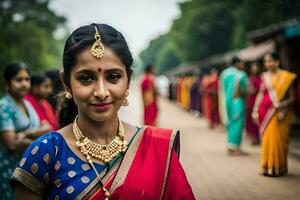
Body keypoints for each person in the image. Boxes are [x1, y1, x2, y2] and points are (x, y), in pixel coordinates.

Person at [11, 23, 195, 199]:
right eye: (86, 78)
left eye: (113, 77)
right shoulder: (45, 153)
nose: (101, 92)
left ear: (128, 79)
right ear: (66, 82)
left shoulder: (156, 148)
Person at [0, 62, 51, 200]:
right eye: (18, 80)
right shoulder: (4, 106)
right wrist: (37, 136)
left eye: (27, 79)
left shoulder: (27, 103)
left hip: (29, 169)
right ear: (8, 82)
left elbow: (47, 127)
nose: (24, 84)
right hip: (9, 168)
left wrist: (25, 134)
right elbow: (11, 144)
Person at [252, 52, 297, 176]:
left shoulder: (287, 77)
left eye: (270, 61)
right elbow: (260, 94)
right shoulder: (264, 77)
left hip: (281, 113)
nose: (267, 64)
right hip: (264, 112)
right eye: (265, 61)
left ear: (277, 62)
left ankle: (279, 167)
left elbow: (292, 98)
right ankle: (267, 166)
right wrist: (255, 110)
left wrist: (282, 106)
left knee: (280, 141)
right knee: (267, 140)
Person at [219, 57, 249, 155]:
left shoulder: (224, 73)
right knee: (238, 124)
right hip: (238, 102)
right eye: (241, 63)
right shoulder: (241, 74)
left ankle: (231, 146)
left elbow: (222, 89)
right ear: (237, 63)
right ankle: (234, 147)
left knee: (231, 123)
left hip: (227, 102)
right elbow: (246, 89)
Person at [245, 62, 261, 145]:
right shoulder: (249, 78)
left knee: (257, 119)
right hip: (250, 101)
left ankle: (258, 137)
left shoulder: (261, 78)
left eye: (256, 67)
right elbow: (246, 90)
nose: (255, 68)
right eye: (253, 67)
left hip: (258, 101)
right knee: (250, 120)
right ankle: (252, 137)